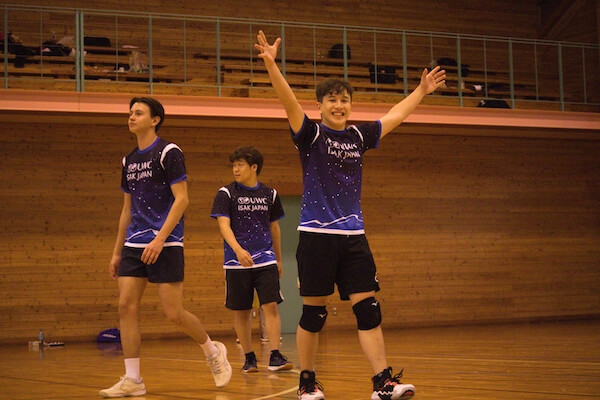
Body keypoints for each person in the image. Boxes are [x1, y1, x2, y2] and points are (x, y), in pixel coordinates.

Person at [254, 30, 446, 400]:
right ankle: (307, 383)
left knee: (369, 310)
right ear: (321, 106)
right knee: (314, 315)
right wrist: (271, 65)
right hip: (316, 236)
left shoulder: (359, 136)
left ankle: (383, 383)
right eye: (331, 100)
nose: (339, 105)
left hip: (353, 237)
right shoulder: (309, 135)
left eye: (344, 100)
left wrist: (421, 92)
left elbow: (394, 116)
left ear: (350, 106)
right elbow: (288, 101)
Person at [100, 97, 232, 398]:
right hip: (134, 242)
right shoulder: (128, 160)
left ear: (155, 119)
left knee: (173, 313)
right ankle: (133, 379)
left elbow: (182, 199)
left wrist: (160, 238)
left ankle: (212, 351)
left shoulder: (168, 152)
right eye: (130, 113)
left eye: (138, 113)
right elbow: (126, 210)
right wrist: (117, 251)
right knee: (125, 305)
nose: (131, 117)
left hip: (166, 241)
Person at [211, 146, 293, 373]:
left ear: (254, 167)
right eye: (234, 165)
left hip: (265, 259)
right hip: (236, 262)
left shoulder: (270, 194)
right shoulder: (226, 193)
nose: (236, 169)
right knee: (242, 311)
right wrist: (237, 250)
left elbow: (274, 228)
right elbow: (223, 225)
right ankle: (249, 358)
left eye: (240, 165)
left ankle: (275, 356)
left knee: (271, 306)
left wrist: (277, 258)